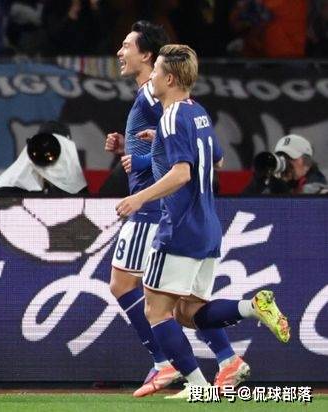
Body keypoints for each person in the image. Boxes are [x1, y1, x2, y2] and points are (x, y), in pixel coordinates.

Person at [116, 44, 290, 399]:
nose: (151, 77)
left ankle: (197, 386)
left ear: (169, 78)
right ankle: (252, 307)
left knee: (156, 310)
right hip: (208, 226)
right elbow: (217, 160)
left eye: (156, 71)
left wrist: (139, 197)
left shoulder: (170, 116)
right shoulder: (198, 113)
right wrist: (162, 141)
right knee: (188, 311)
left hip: (179, 226)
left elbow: (182, 173)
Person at [106, 22, 251, 398]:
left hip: (157, 207)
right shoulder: (174, 103)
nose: (120, 52)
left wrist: (141, 168)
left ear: (149, 58)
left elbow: (181, 154)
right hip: (179, 212)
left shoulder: (157, 98)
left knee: (130, 289)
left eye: (126, 46)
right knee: (186, 305)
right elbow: (184, 146)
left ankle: (166, 362)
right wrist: (130, 149)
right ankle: (226, 355)